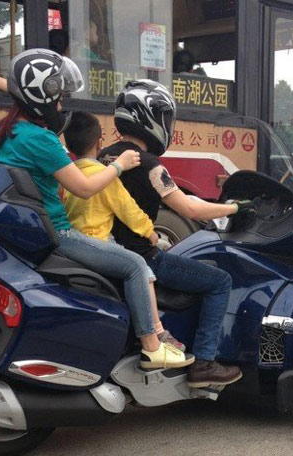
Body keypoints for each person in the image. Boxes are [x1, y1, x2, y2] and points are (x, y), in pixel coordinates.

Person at [0, 49, 192, 369]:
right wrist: (119, 166)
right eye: (58, 99)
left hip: (24, 227)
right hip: (58, 232)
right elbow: (83, 187)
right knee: (135, 264)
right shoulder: (42, 140)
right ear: (41, 99)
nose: (60, 106)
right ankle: (153, 346)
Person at [99, 79, 251, 388]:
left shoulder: (104, 157)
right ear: (151, 118)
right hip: (142, 257)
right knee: (220, 281)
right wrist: (235, 209)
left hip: (108, 252)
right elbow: (190, 209)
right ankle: (205, 363)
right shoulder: (148, 165)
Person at [63, 110, 186, 351]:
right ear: (99, 142)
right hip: (99, 240)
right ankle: (156, 335)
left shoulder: (70, 175)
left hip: (74, 239)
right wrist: (151, 233)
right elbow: (129, 211)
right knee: (142, 271)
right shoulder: (104, 177)